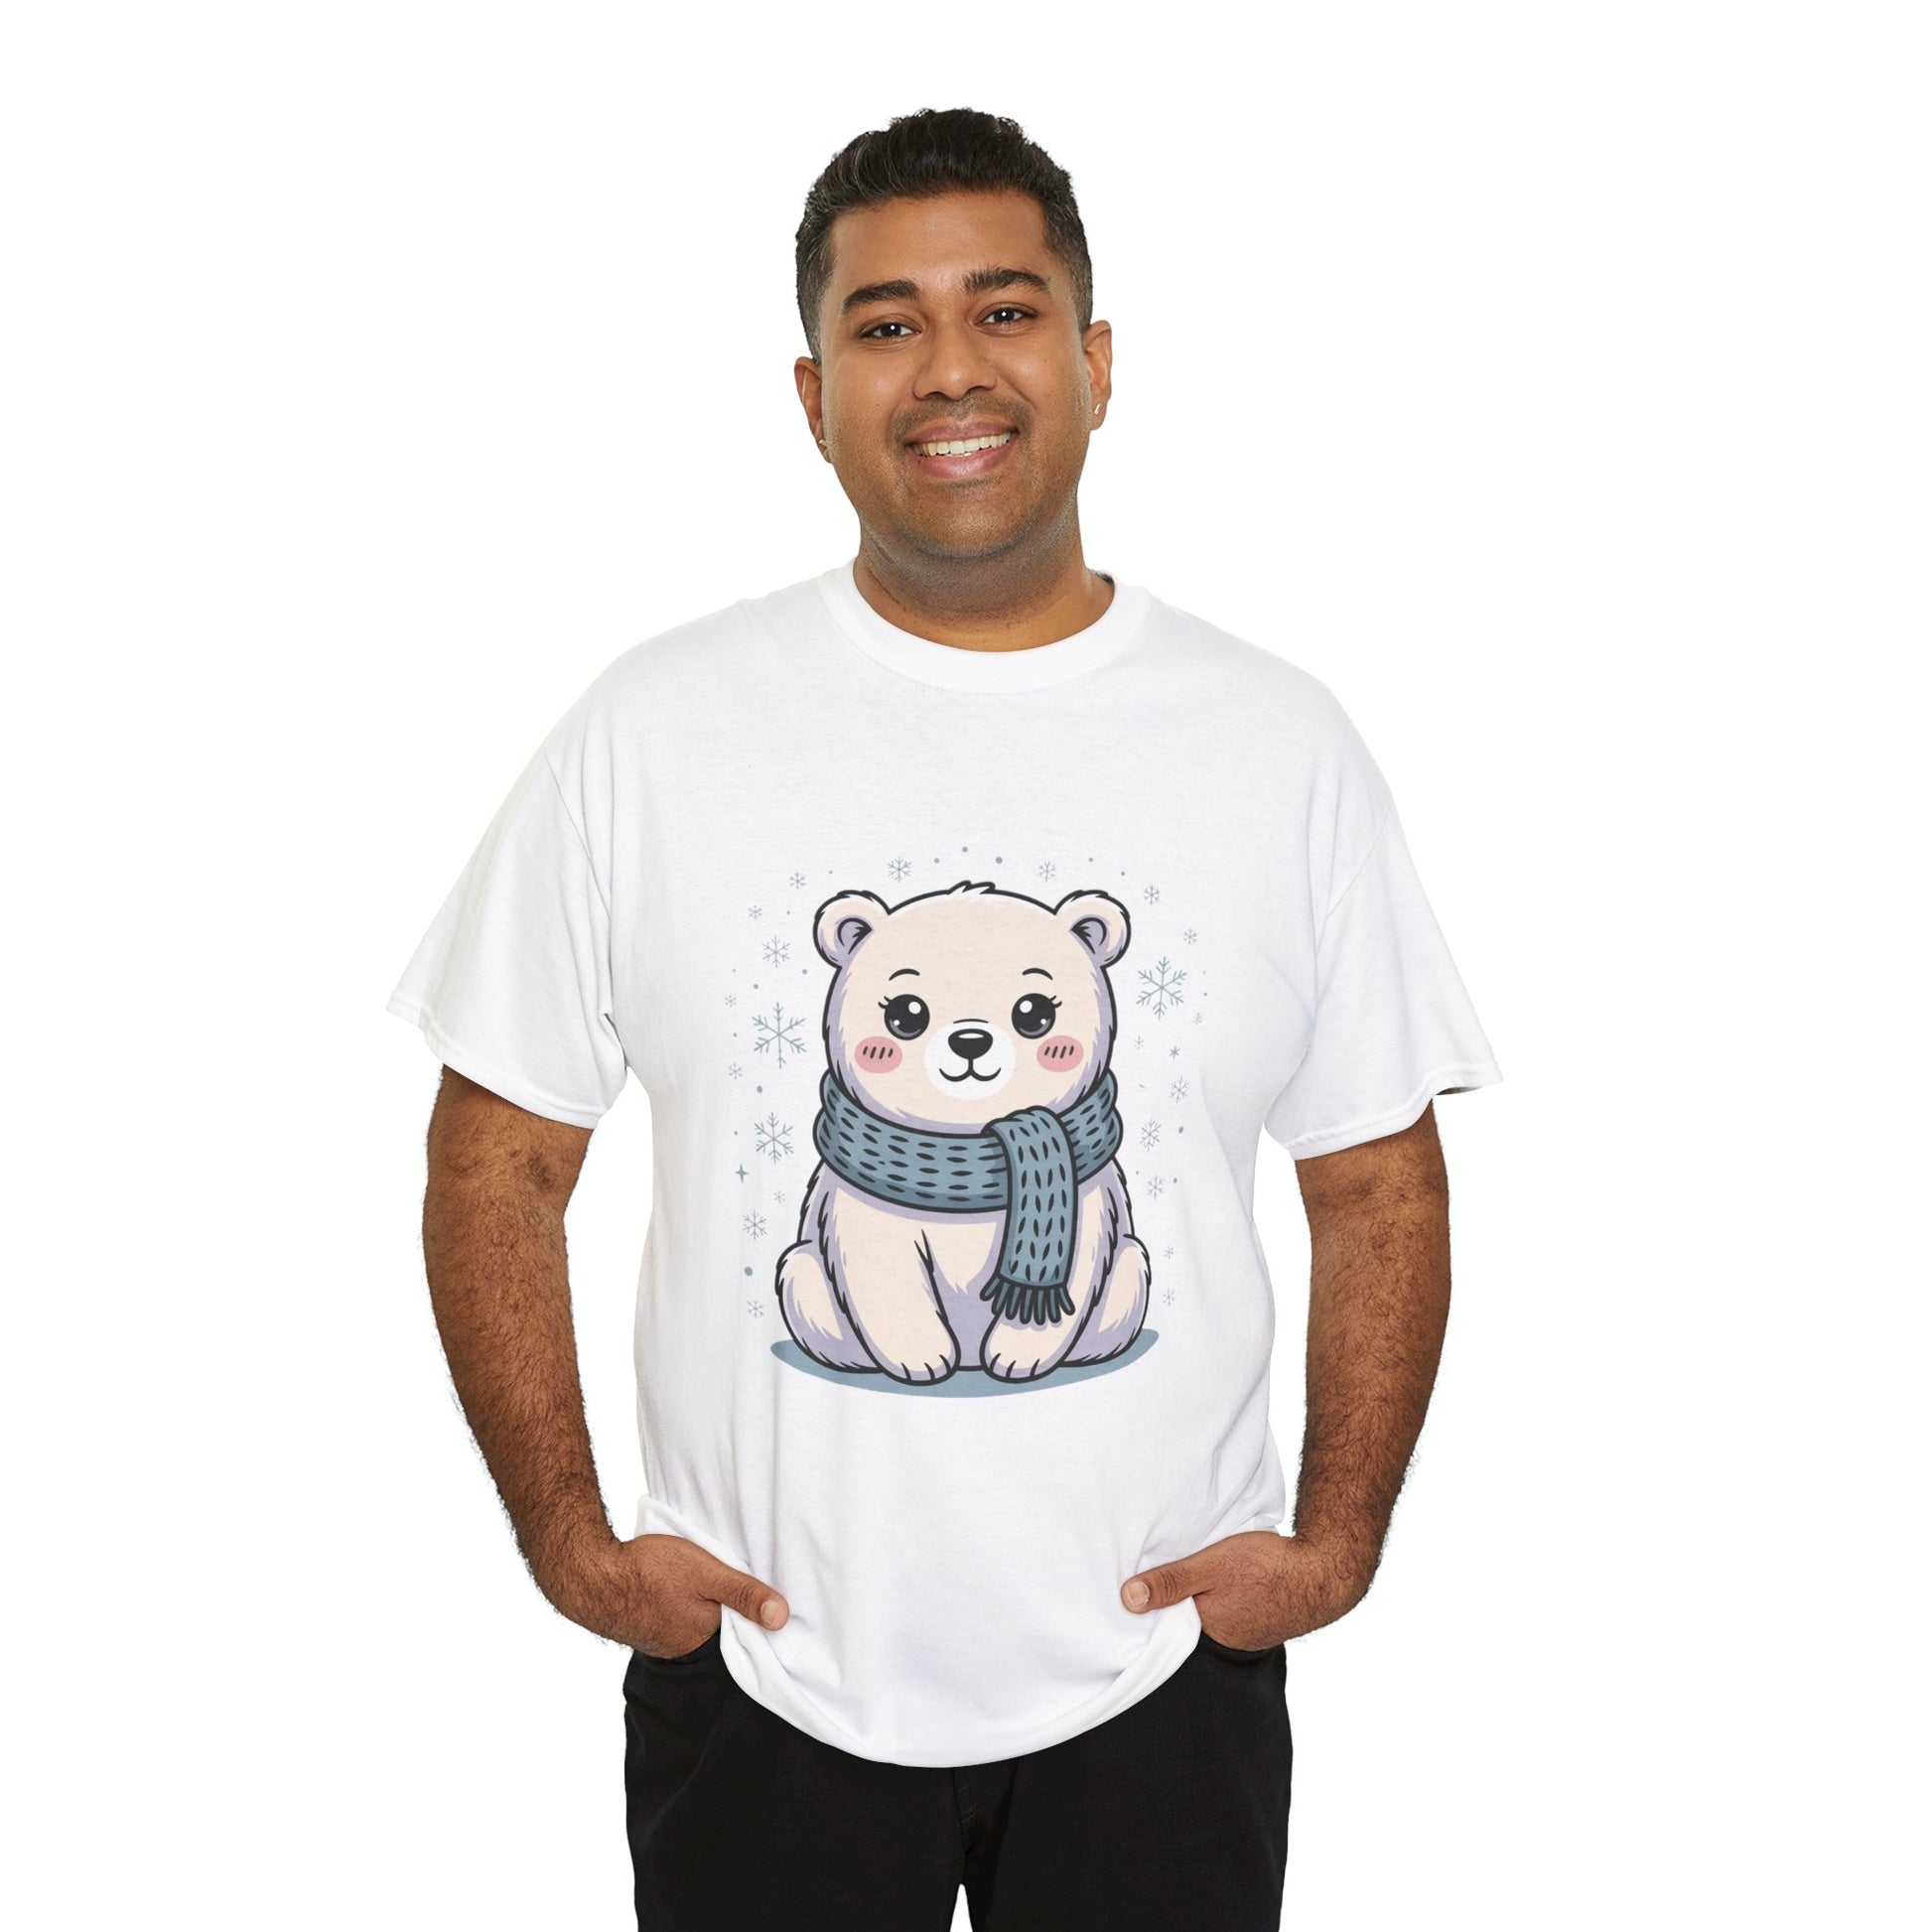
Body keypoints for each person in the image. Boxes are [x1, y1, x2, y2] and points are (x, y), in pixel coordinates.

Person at [387, 105, 1502, 1932]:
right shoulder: (651, 731)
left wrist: (1334, 1542)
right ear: (812, 393)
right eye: (886, 324)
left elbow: (1377, 1179)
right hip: (765, 1663)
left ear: (1096, 360)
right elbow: (494, 1161)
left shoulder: (1274, 742)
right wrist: (573, 1545)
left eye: (1003, 308)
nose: (951, 369)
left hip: (1162, 1658)